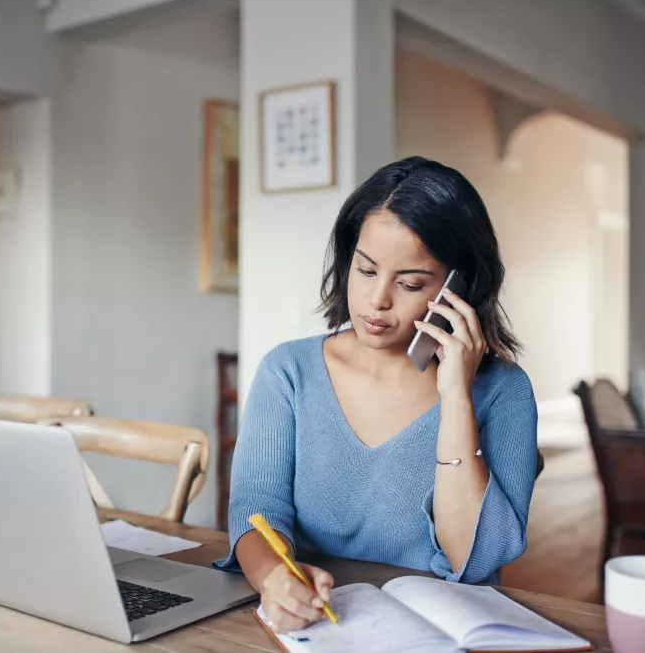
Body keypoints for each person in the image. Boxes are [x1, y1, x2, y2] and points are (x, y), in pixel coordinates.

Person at [214, 156, 538, 633]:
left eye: (409, 283)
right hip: (313, 630)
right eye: (366, 271)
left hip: (441, 637)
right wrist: (273, 578)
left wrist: (456, 399)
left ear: (460, 286)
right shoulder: (288, 371)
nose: (377, 300)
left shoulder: (505, 393)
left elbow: (472, 560)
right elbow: (256, 506)